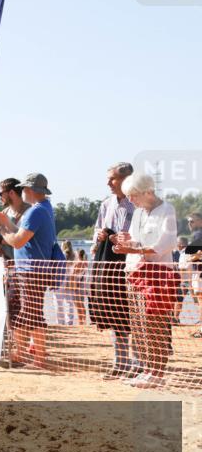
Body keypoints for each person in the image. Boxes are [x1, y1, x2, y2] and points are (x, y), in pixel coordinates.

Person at [0, 173, 59, 368]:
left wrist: (0, 228)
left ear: (31, 191)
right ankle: (25, 353)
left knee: (32, 313)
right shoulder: (42, 208)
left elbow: (17, 241)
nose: (22, 191)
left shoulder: (35, 211)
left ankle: (38, 359)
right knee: (28, 312)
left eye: (24, 188)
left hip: (31, 269)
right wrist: (4, 223)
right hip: (33, 268)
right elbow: (18, 232)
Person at [111, 172, 179, 388]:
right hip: (135, 272)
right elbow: (135, 240)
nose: (131, 200)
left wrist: (134, 247)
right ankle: (147, 369)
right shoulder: (139, 213)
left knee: (154, 324)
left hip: (157, 274)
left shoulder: (166, 209)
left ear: (148, 192)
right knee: (138, 323)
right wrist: (124, 241)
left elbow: (165, 244)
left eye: (134, 195)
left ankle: (157, 372)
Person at [88, 162, 138, 379]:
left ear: (127, 179)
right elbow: (97, 230)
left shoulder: (137, 203)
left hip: (132, 262)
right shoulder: (106, 203)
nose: (108, 182)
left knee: (134, 314)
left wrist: (127, 239)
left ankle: (139, 363)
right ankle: (121, 363)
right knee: (113, 312)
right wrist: (98, 238)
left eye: (113, 178)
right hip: (108, 263)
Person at [0, 178, 30, 260]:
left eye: (0, 194)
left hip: (25, 260)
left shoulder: (30, 212)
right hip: (8, 263)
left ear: (11, 193)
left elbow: (23, 242)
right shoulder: (4, 213)